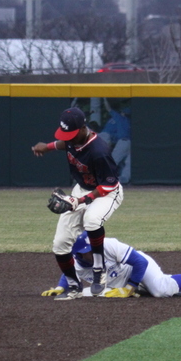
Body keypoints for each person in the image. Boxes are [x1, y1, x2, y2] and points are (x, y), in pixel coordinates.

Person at [32, 106, 123, 297]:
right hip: (81, 189)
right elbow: (65, 143)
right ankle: (74, 286)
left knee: (92, 220)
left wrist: (80, 200)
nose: (68, 137)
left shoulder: (99, 150)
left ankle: (99, 270)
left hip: (106, 193)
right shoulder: (71, 139)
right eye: (66, 134)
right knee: (60, 243)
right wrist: (47, 147)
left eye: (72, 134)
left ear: (83, 129)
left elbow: (110, 184)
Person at [41, 232, 181, 300]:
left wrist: (129, 288)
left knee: (160, 290)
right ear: (78, 254)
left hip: (138, 268)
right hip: (121, 280)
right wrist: (61, 287)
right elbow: (70, 274)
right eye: (87, 249)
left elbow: (140, 262)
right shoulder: (78, 262)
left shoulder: (107, 244)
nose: (91, 248)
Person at [98, 99, 131, 184]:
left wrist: (105, 98)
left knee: (113, 160)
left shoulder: (120, 117)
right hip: (131, 143)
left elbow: (108, 108)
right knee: (129, 162)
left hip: (124, 142)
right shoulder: (131, 121)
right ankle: (124, 178)